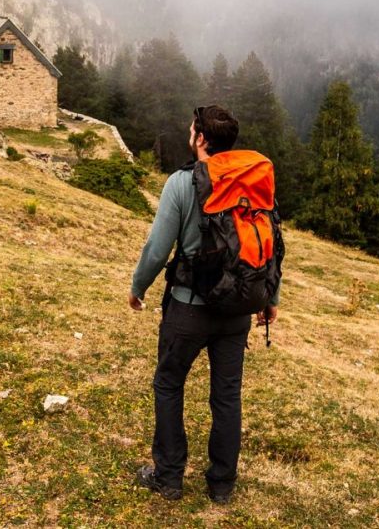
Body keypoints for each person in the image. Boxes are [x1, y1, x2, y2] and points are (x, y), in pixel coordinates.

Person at [129, 105, 282, 504]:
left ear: (200, 138)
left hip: (189, 308)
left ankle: (169, 477)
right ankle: (221, 485)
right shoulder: (252, 181)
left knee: (168, 383)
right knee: (227, 396)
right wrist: (270, 298)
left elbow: (158, 248)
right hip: (237, 311)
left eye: (191, 127)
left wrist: (138, 287)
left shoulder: (182, 183)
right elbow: (271, 245)